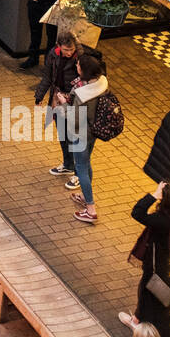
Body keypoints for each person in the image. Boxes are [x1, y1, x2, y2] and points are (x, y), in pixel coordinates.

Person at [65, 48, 113, 225]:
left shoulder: (82, 95)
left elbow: (74, 121)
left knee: (81, 169)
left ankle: (90, 209)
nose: (76, 65)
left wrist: (64, 105)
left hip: (81, 135)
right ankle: (86, 197)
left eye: (78, 65)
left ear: (84, 71)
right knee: (87, 164)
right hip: (93, 132)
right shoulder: (101, 83)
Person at [121, 181, 170, 337]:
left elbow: (138, 212)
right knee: (151, 292)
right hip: (164, 261)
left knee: (148, 291)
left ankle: (139, 322)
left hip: (156, 264)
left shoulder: (162, 219)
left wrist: (154, 195)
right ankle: (138, 319)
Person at [34, 30, 82, 178]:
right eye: (66, 50)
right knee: (62, 134)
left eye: (71, 50)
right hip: (57, 98)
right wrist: (39, 97)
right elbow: (47, 77)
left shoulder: (81, 57)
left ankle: (78, 171)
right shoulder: (53, 54)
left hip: (74, 101)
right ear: (59, 46)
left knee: (73, 136)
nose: (69, 53)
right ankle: (68, 165)